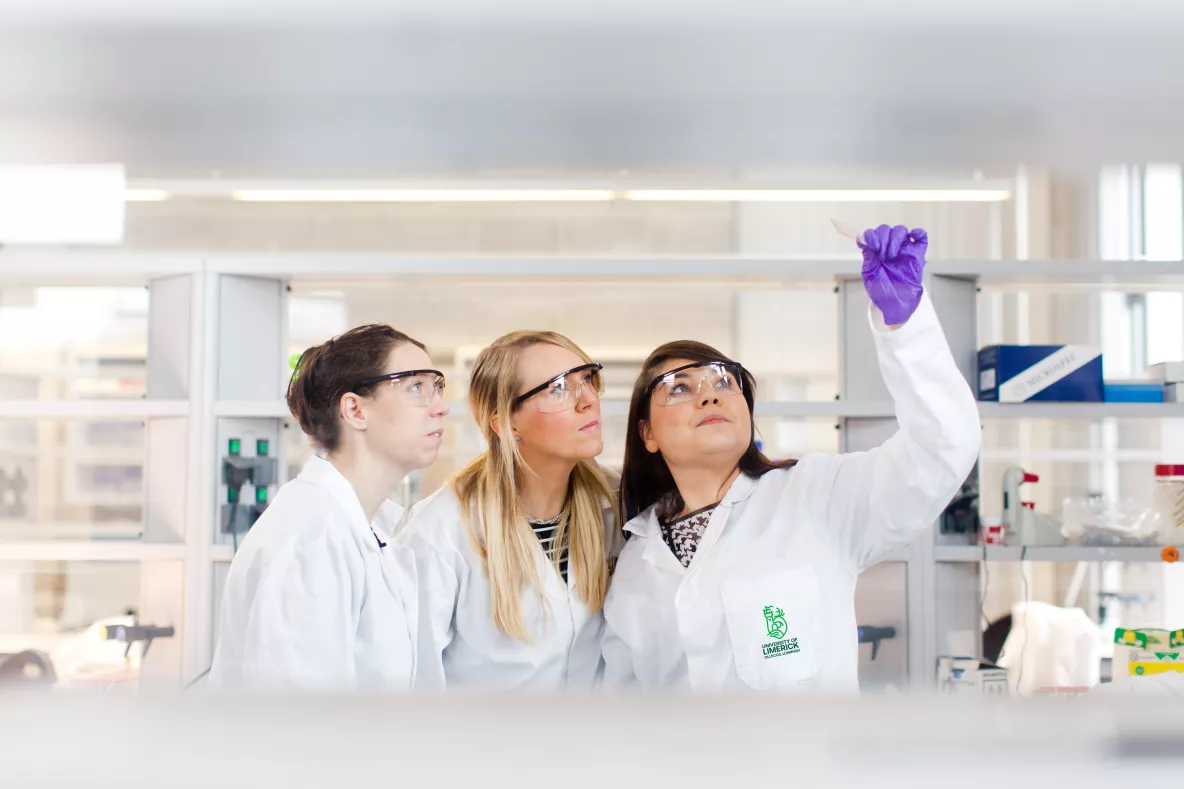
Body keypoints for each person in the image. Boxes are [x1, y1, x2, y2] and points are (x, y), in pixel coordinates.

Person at [602, 225, 982, 691]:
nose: (709, 396)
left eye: (725, 382)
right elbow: (620, 704)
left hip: (807, 764)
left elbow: (943, 448)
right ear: (647, 434)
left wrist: (905, 328)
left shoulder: (818, 496)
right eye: (679, 388)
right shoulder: (637, 561)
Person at [208, 324, 449, 690]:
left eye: (438, 388)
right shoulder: (311, 538)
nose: (441, 408)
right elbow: (302, 725)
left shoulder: (365, 527)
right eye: (417, 387)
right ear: (354, 409)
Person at [397, 330, 622, 689]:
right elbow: (413, 680)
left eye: (587, 379)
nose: (588, 400)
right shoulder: (441, 529)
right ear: (505, 422)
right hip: (482, 742)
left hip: (594, 740)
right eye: (559, 388)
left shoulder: (615, 503)